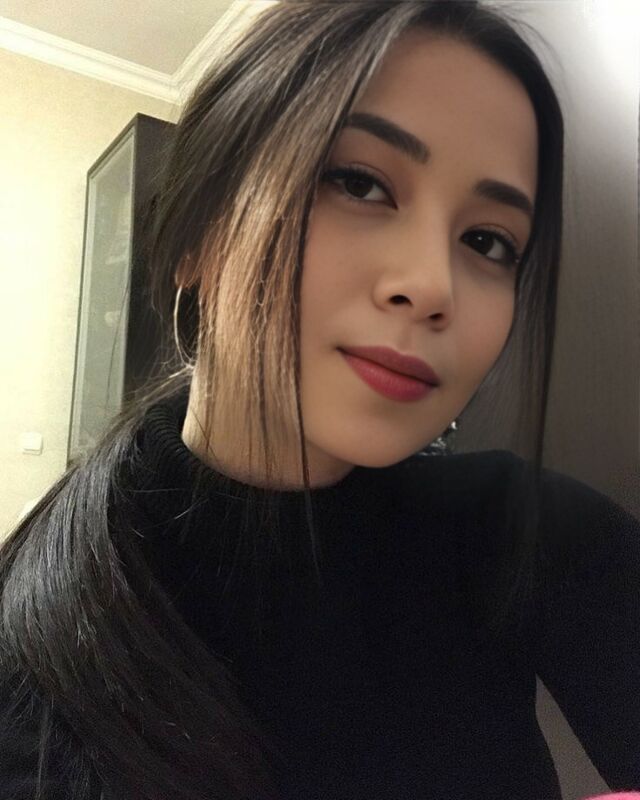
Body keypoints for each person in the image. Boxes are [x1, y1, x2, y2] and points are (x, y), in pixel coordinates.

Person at [1, 1, 638, 799]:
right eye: (359, 183)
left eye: (487, 241)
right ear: (196, 236)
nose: (432, 285)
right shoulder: (37, 636)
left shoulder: (531, 534)